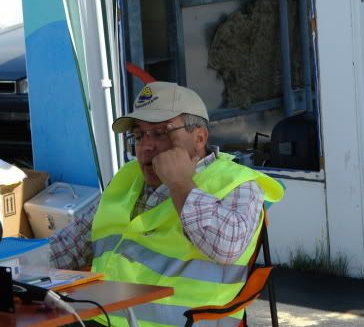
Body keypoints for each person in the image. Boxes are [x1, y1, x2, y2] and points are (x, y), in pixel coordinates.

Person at [49, 81, 285, 326]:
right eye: (139, 135)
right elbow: (68, 247)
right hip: (97, 320)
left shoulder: (238, 184)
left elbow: (226, 246)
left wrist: (180, 183)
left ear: (199, 139)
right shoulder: (128, 177)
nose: (145, 146)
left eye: (161, 133)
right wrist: (17, 269)